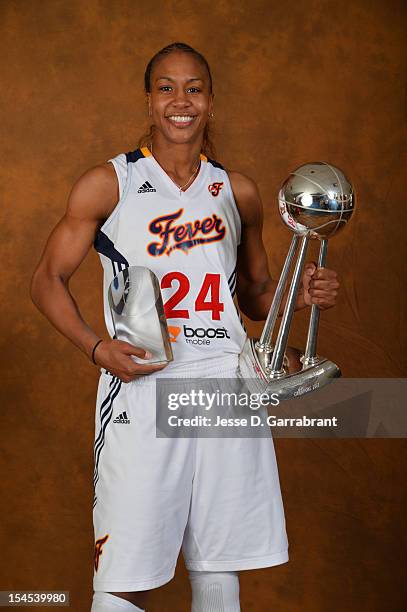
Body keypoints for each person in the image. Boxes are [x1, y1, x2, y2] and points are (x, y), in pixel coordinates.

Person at [30, 42, 339, 612]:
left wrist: (301, 295)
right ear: (149, 101)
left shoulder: (237, 192)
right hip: (148, 383)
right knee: (123, 574)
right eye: (166, 88)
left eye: (193, 88)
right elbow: (47, 279)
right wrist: (99, 350)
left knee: (219, 565)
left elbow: (253, 295)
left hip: (228, 380)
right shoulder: (109, 183)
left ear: (211, 101)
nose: (180, 100)